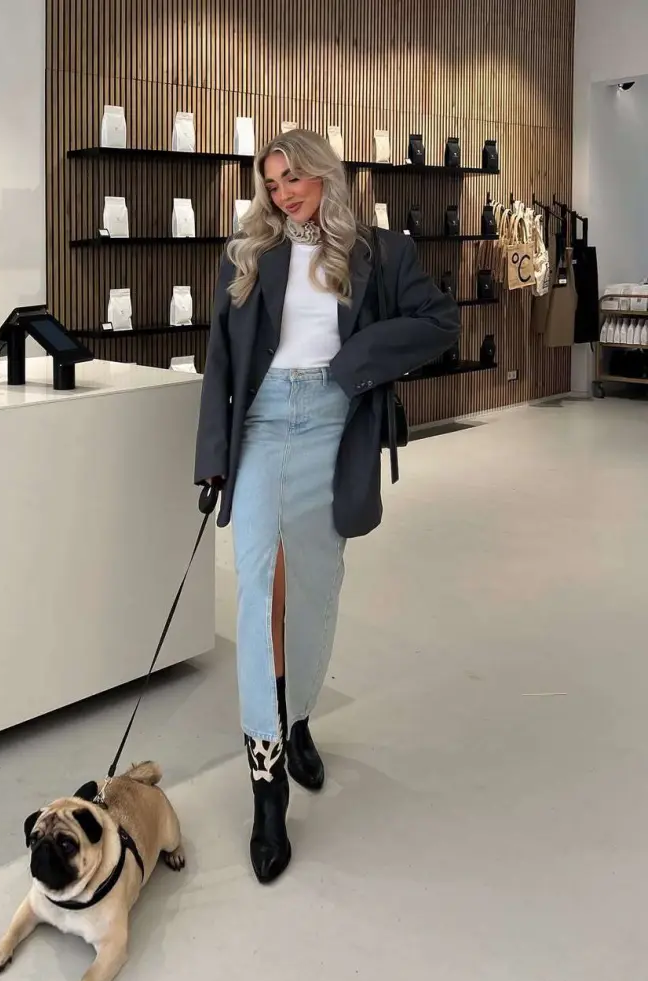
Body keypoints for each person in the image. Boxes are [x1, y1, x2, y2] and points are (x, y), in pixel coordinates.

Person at [194, 129, 460, 884]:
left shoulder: (380, 251)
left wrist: (353, 364)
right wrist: (212, 456)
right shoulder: (246, 252)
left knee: (313, 592)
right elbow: (222, 358)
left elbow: (442, 323)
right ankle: (266, 780)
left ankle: (300, 714)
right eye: (271, 182)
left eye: (293, 177)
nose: (282, 193)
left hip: (334, 422)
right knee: (254, 593)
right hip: (263, 424)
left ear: (323, 172)